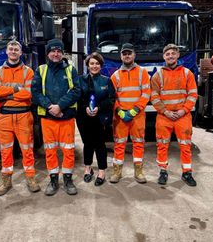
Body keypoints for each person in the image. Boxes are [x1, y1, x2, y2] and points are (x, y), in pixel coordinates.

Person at [31, 39, 81, 196]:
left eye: (59, 51)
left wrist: (60, 106)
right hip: (48, 118)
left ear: (62, 53)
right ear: (48, 54)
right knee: (50, 150)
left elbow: (76, 91)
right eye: (52, 51)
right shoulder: (41, 70)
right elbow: (36, 92)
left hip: (66, 117)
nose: (56, 54)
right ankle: (53, 180)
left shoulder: (70, 70)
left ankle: (67, 179)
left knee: (68, 150)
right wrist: (49, 107)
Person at [0, 40, 40, 195]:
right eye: (11, 49)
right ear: (6, 51)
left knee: (27, 149)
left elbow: (28, 94)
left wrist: (9, 93)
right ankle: (6, 181)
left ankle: (30, 178)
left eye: (16, 49)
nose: (13, 51)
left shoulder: (28, 71)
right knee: (5, 151)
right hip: (4, 117)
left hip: (24, 115)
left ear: (20, 52)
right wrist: (16, 90)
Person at [151, 44, 198, 186]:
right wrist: (165, 111)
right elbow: (154, 96)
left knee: (185, 145)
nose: (170, 56)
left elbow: (193, 94)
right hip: (164, 116)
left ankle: (187, 173)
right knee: (162, 145)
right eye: (167, 54)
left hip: (183, 116)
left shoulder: (187, 73)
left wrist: (183, 110)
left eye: (173, 53)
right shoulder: (157, 75)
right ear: (163, 57)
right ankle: (163, 171)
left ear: (178, 55)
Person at [110, 43, 151, 184]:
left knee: (138, 143)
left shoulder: (142, 72)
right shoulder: (115, 76)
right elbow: (112, 97)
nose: (127, 56)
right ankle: (117, 172)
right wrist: (120, 111)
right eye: (124, 53)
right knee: (119, 144)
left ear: (134, 55)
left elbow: (146, 93)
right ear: (121, 56)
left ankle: (138, 171)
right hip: (120, 117)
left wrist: (135, 110)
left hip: (137, 116)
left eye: (129, 53)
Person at [76, 52, 115, 186]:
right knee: (87, 143)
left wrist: (99, 107)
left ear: (101, 65)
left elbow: (111, 100)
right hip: (83, 117)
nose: (94, 66)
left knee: (99, 144)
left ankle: (102, 170)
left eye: (97, 63)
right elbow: (77, 98)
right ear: (87, 65)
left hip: (100, 117)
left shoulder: (106, 81)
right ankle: (88, 168)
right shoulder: (80, 80)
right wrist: (85, 107)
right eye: (92, 63)